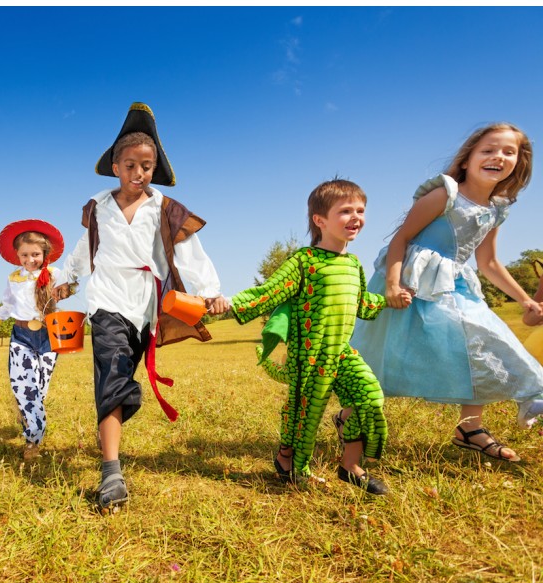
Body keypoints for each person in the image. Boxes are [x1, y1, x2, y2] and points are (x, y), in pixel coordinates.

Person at [53, 102, 229, 510]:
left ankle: (111, 438)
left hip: (146, 306)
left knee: (119, 375)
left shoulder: (165, 209)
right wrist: (65, 281)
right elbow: (84, 252)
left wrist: (211, 291)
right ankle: (111, 472)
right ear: (115, 166)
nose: (138, 174)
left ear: (154, 169)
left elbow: (189, 253)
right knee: (111, 374)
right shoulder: (98, 207)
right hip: (106, 299)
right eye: (130, 165)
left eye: (146, 166)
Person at [351, 123, 543, 463]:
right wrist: (394, 284)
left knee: (480, 340)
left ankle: (470, 428)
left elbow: (489, 262)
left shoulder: (498, 208)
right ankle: (350, 420)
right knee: (383, 353)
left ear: (520, 163)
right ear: (468, 159)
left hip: (454, 283)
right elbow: (401, 239)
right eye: (488, 150)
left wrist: (525, 299)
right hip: (409, 281)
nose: (498, 156)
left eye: (508, 152)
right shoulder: (446, 194)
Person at [231, 179, 410, 495]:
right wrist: (230, 303)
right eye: (345, 211)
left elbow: (362, 305)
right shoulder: (304, 261)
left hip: (340, 353)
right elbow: (269, 292)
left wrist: (389, 300)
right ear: (320, 220)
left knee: (370, 397)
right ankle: (293, 467)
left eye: (360, 210)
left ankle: (351, 466)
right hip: (309, 358)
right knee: (305, 420)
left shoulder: (354, 264)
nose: (356, 217)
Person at [0, 219, 65, 461]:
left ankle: (27, 415)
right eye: (25, 255)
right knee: (25, 387)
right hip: (21, 336)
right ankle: (33, 440)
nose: (30, 259)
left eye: (35, 254)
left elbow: (71, 286)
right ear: (17, 255)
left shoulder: (54, 274)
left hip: (47, 336)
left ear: (44, 253)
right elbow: (7, 305)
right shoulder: (13, 278)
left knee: (40, 389)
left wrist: (66, 288)